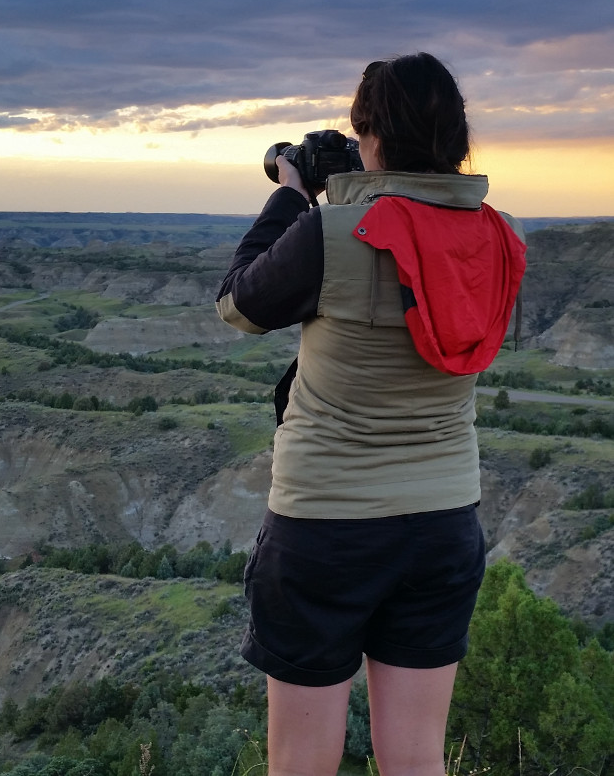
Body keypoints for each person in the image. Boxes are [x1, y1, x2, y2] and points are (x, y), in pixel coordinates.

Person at [216, 53, 526, 776]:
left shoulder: (336, 234)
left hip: (325, 524)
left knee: (300, 761)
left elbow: (238, 304)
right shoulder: (501, 236)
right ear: (456, 137)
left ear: (372, 138)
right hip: (444, 520)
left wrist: (294, 196)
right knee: (417, 759)